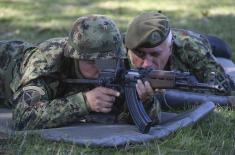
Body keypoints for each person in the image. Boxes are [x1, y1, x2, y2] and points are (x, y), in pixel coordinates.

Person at [0, 14, 161, 130]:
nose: (101, 68)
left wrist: (145, 101)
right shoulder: (47, 61)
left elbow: (143, 118)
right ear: (74, 58)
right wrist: (84, 102)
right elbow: (23, 117)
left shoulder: (119, 63)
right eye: (92, 61)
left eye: (108, 61)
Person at [125, 12, 235, 101]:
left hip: (200, 43)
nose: (147, 64)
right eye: (139, 53)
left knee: (223, 49)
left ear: (170, 48)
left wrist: (174, 93)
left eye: (155, 54)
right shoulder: (122, 48)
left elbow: (223, 88)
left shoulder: (191, 48)